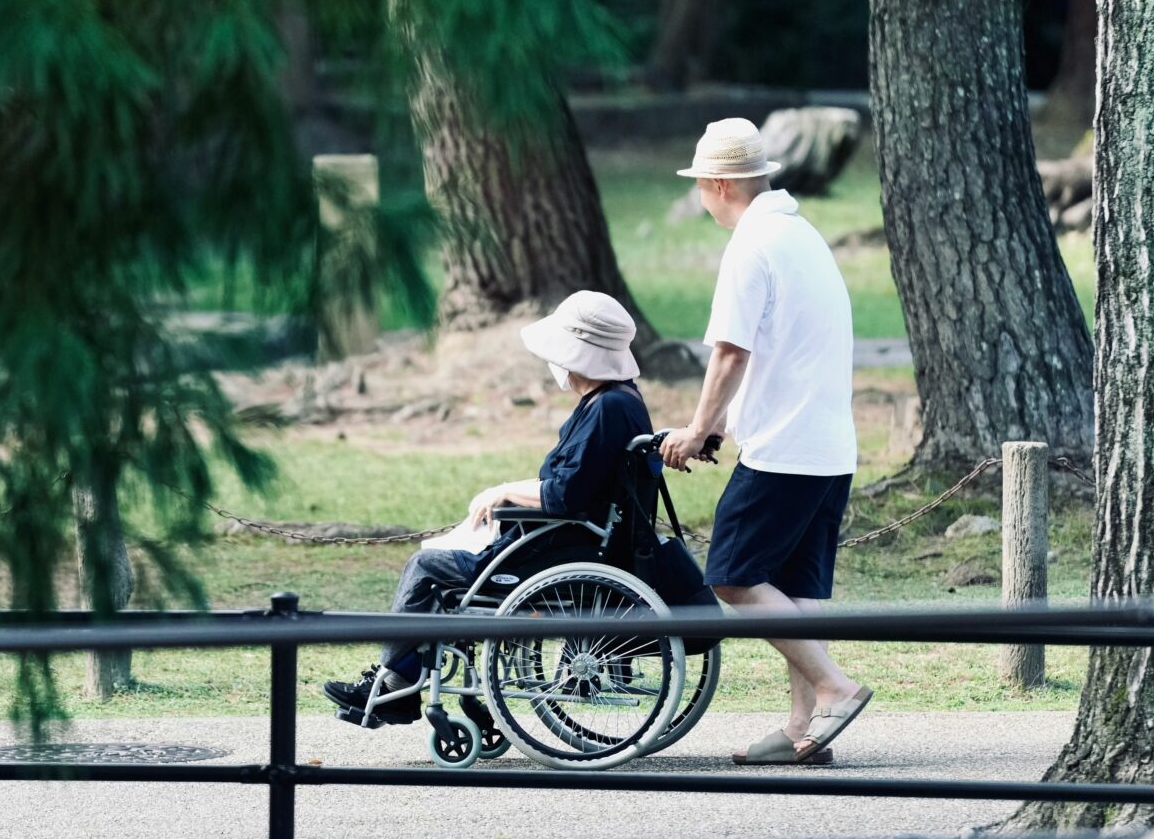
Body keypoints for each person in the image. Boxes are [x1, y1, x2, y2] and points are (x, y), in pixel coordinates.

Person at [324, 290, 656, 726]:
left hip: (559, 551)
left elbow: (565, 495)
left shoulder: (606, 409)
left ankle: (392, 686)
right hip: (573, 543)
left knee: (424, 567)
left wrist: (504, 492)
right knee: (443, 556)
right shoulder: (619, 401)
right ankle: (402, 677)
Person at [660, 117, 874, 765]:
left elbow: (730, 353)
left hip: (786, 450)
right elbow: (784, 351)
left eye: (701, 184)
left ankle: (835, 687)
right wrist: (723, 423)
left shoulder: (752, 245)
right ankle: (804, 728)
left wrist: (698, 429)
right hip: (830, 445)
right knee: (793, 585)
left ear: (719, 183)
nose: (699, 195)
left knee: (732, 574)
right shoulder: (800, 234)